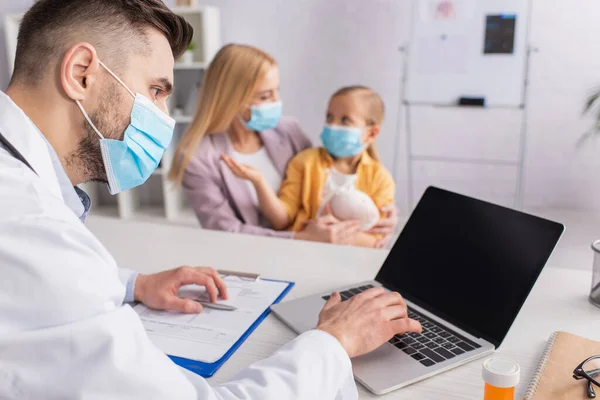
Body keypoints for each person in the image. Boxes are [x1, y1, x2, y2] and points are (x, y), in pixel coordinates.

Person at [0, 1, 421, 399]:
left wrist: (135, 283)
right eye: (156, 89)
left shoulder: (26, 204)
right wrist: (334, 342)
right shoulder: (33, 230)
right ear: (81, 73)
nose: (164, 115)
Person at [168, 44, 398, 248]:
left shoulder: (288, 130)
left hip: (321, 250)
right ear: (232, 99)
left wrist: (381, 215)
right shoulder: (197, 158)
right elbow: (225, 231)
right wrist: (302, 239)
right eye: (266, 96)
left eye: (277, 91)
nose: (277, 103)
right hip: (252, 256)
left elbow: (328, 180)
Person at [221, 85, 394, 248]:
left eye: (345, 120)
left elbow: (377, 240)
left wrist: (333, 236)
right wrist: (258, 181)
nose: (333, 125)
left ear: (371, 133)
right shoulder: (304, 162)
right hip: (305, 252)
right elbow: (282, 220)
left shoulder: (380, 179)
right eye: (329, 117)